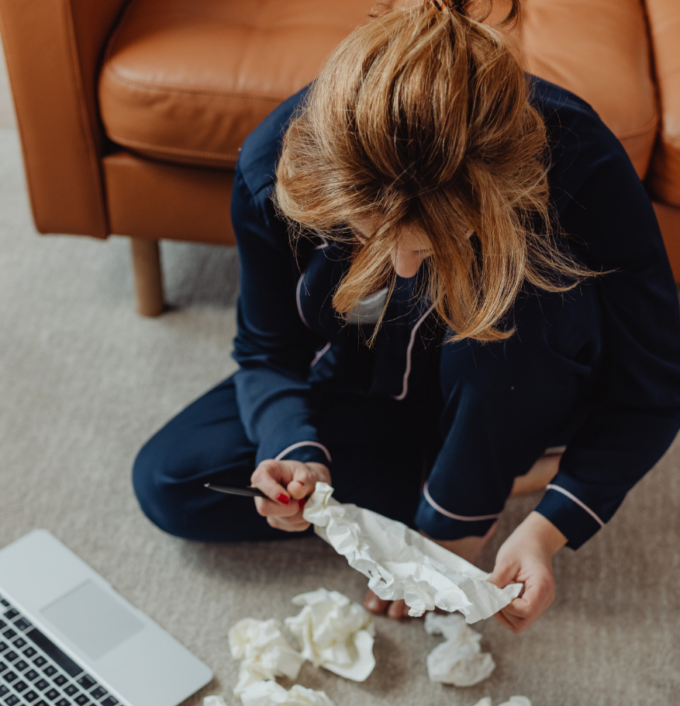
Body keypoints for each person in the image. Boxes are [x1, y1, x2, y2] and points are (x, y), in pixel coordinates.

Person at [132, 0, 680, 634]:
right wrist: (297, 454)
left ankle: (466, 500)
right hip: (367, 384)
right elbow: (267, 353)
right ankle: (484, 473)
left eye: (427, 246)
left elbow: (655, 388)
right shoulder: (274, 168)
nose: (404, 269)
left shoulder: (581, 159)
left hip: (511, 384)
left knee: (516, 310)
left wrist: (541, 528)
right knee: (171, 480)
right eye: (370, 238)